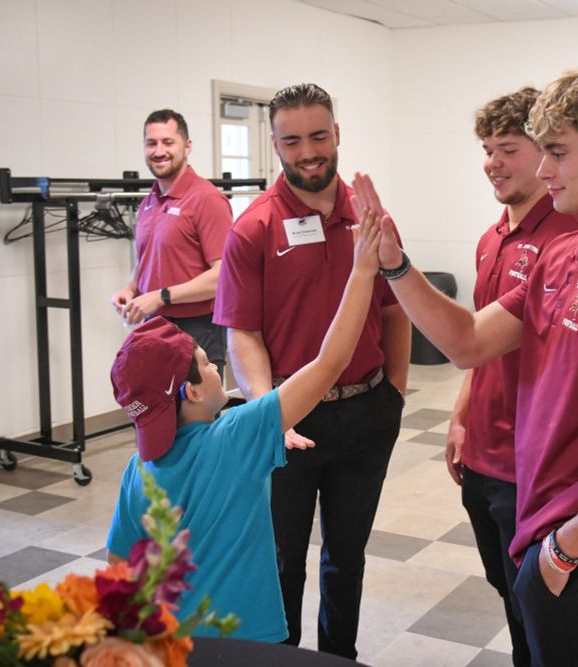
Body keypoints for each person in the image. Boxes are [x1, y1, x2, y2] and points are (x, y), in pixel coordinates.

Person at [351, 67, 578, 666]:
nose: (543, 171)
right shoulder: (566, 252)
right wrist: (395, 265)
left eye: (558, 153)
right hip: (546, 526)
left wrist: (566, 551)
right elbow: (466, 342)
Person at [105, 211, 385, 642]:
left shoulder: (136, 470)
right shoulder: (236, 436)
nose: (216, 368)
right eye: (206, 364)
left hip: (171, 642)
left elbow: (118, 564)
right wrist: (363, 269)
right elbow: (331, 362)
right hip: (247, 638)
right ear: (193, 393)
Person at [214, 83, 409, 659]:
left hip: (366, 413)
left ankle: (337, 658)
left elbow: (397, 310)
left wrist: (394, 393)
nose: (308, 152)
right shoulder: (254, 227)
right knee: (282, 562)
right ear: (275, 144)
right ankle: (283, 656)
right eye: (292, 140)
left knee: (347, 558)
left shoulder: (370, 217)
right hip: (288, 423)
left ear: (337, 134)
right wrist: (265, 409)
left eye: (319, 136)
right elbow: (242, 332)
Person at [446, 87, 578, 667]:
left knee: (540, 608)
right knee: (507, 591)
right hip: (483, 453)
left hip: (531, 465)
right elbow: (480, 351)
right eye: (486, 149)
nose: (493, 163)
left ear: (545, 155)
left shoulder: (567, 239)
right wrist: (459, 418)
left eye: (508, 149)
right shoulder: (491, 237)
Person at [111, 109, 232, 367]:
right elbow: (147, 259)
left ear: (187, 146)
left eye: (168, 142)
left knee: (194, 407)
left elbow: (223, 276)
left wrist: (161, 296)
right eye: (151, 143)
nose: (159, 151)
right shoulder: (148, 202)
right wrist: (131, 288)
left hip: (198, 328)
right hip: (153, 324)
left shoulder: (206, 199)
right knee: (158, 405)